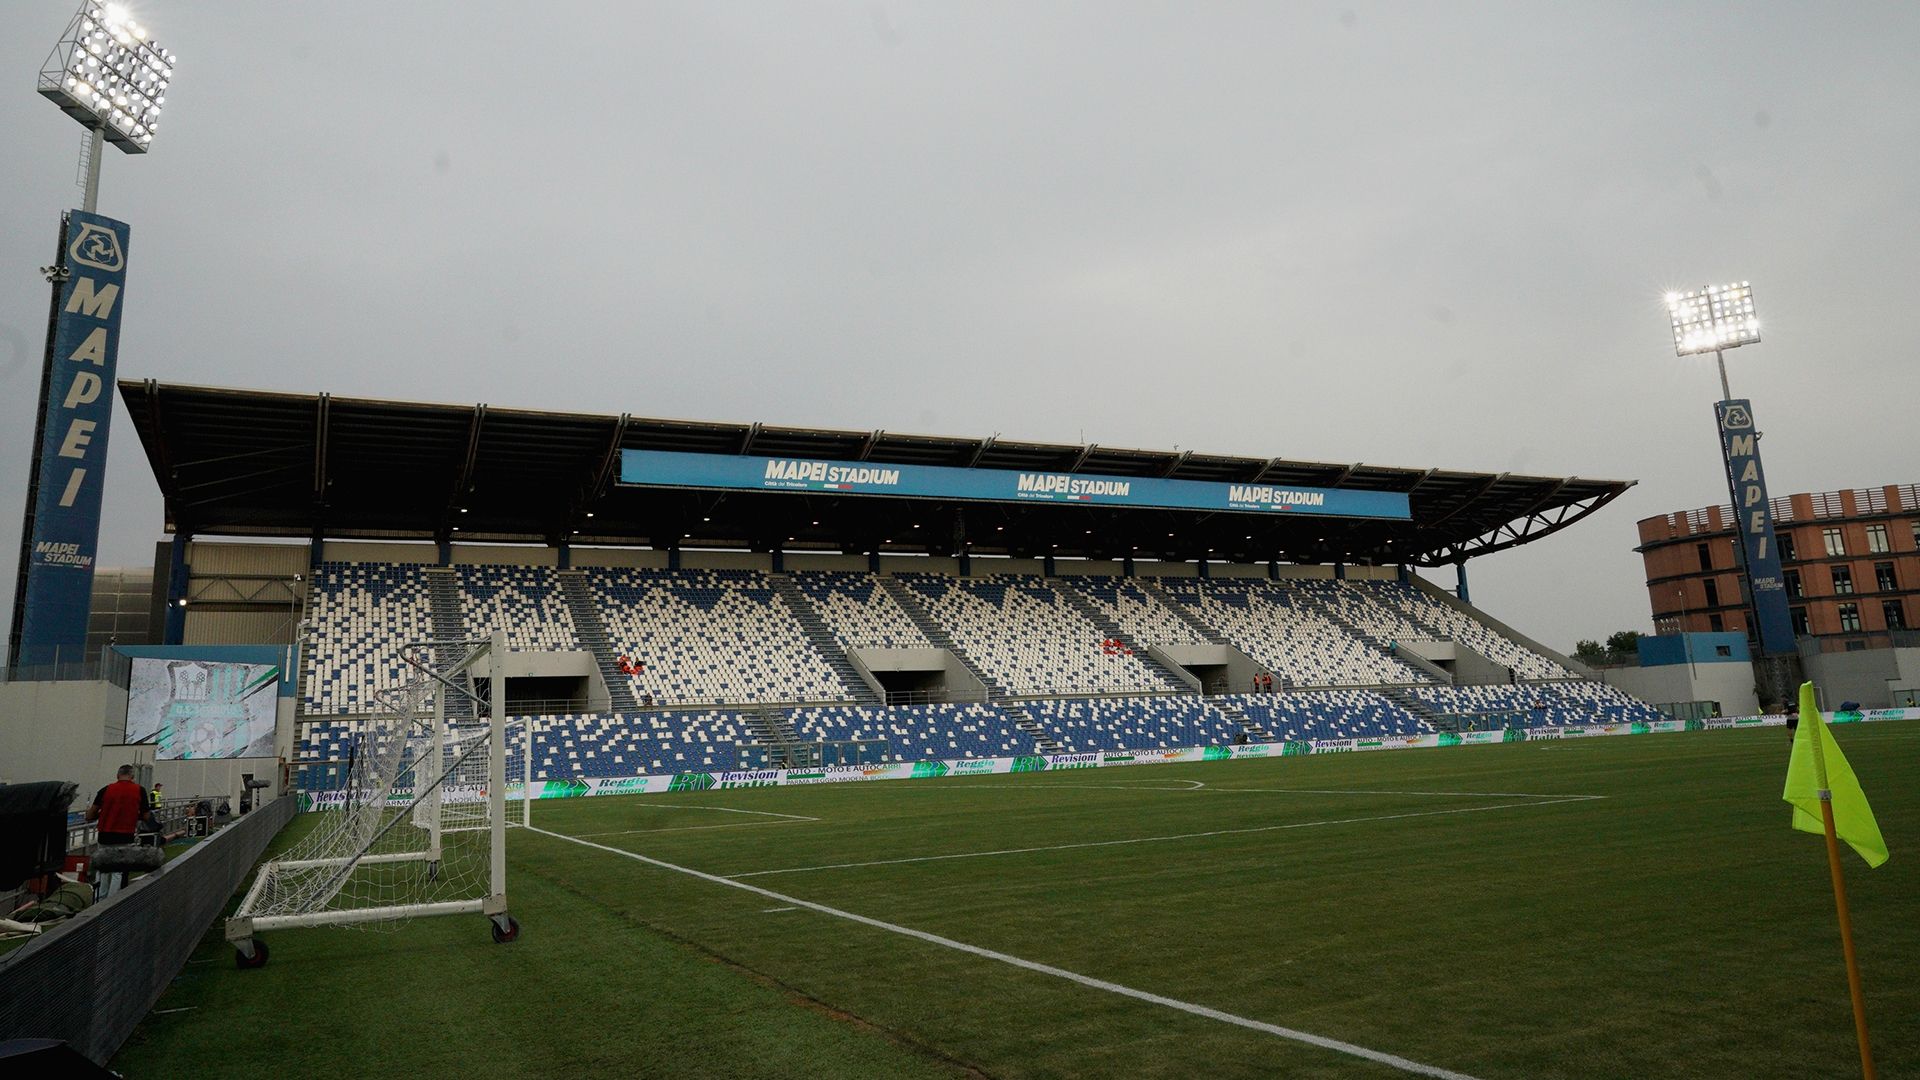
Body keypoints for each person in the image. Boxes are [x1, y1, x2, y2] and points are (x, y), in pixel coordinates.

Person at [86, 764, 154, 896]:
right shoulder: (139, 790)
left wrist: (102, 814)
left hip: (105, 834)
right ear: (132, 777)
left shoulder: (106, 790)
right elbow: (146, 816)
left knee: (103, 869)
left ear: (117, 776)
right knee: (118, 872)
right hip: (125, 835)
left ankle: (99, 899)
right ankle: (112, 902)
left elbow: (89, 815)